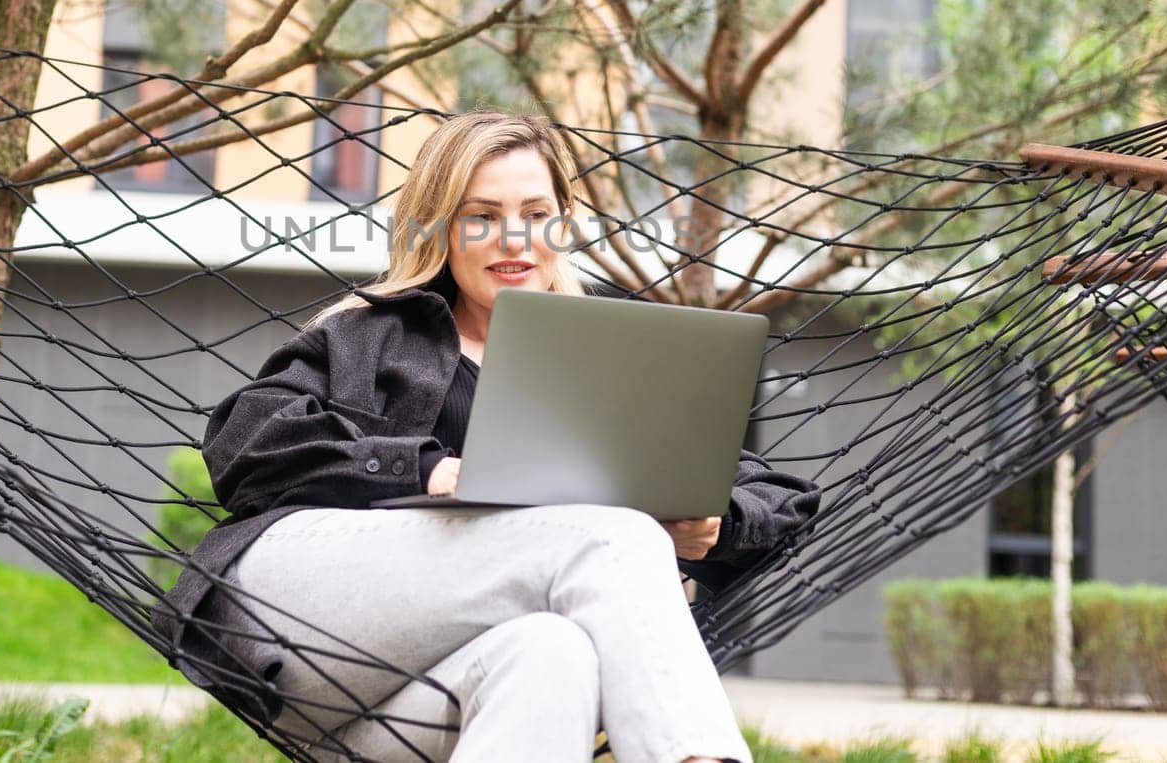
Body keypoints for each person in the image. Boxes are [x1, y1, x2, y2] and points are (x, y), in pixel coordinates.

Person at [154, 111, 821, 763]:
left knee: (551, 652)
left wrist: (712, 523)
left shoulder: (604, 358)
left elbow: (776, 493)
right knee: (616, 532)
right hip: (292, 612)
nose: (514, 238)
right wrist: (426, 471)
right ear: (440, 225)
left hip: (405, 707)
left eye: (536, 214)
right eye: (483, 216)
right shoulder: (369, 332)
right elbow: (243, 442)